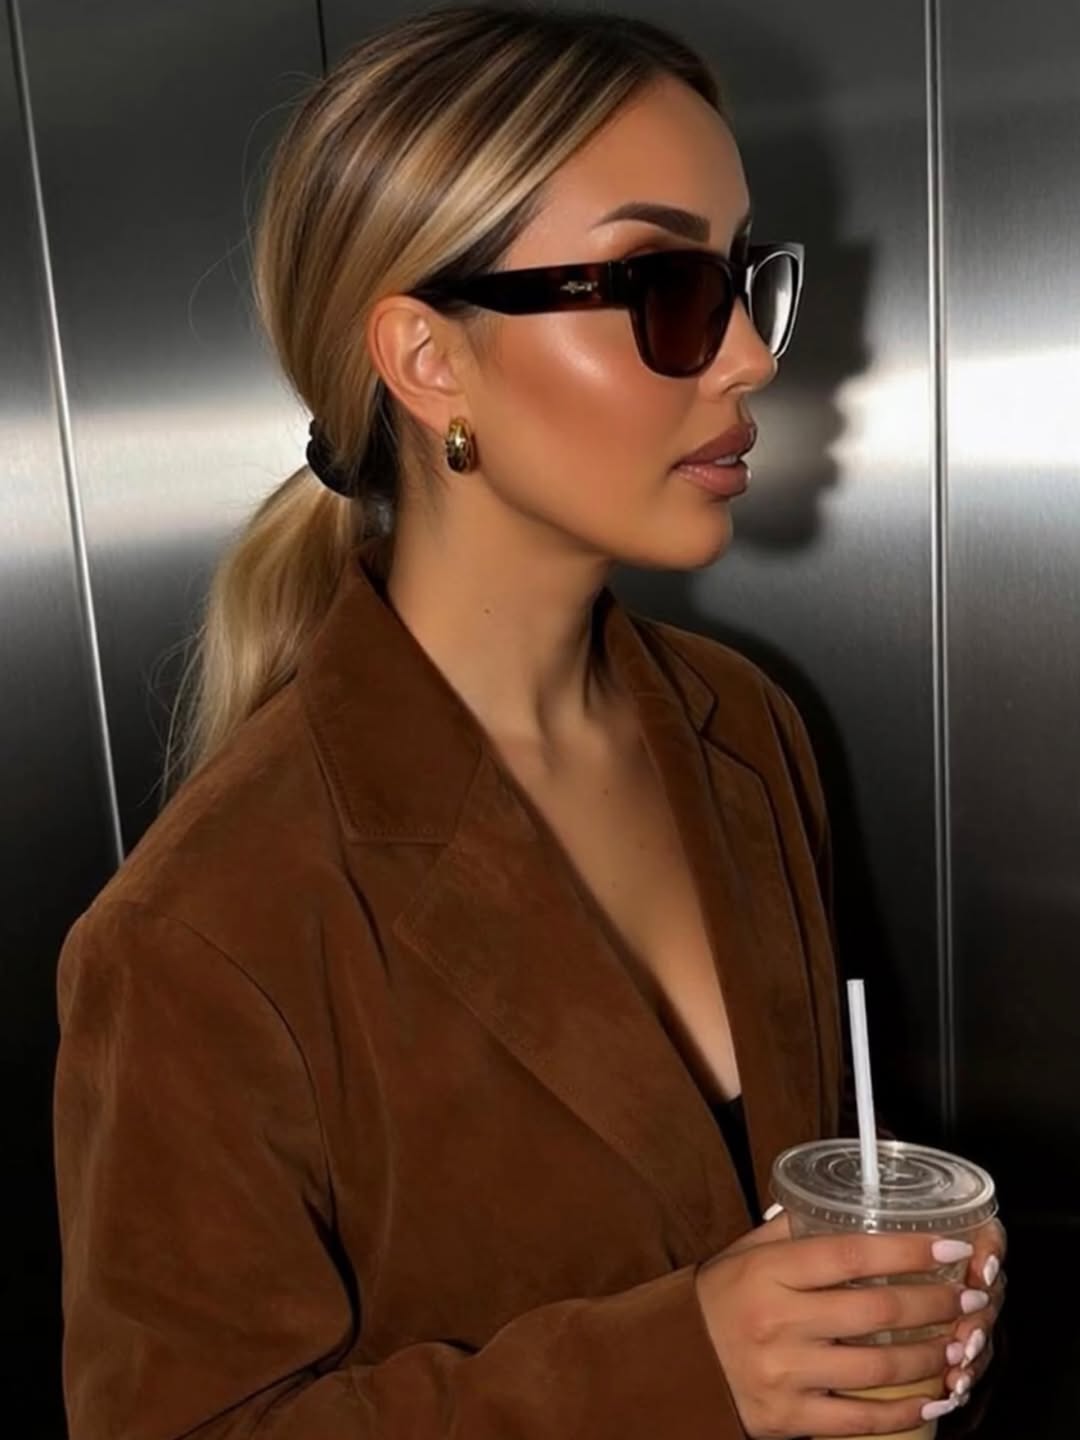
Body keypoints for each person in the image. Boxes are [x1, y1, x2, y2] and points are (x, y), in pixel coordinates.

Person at [52, 4, 1004, 1438]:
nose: (751, 355)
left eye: (746, 278)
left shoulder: (743, 728)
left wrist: (886, 1315)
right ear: (430, 359)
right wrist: (688, 1369)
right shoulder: (202, 930)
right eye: (669, 287)